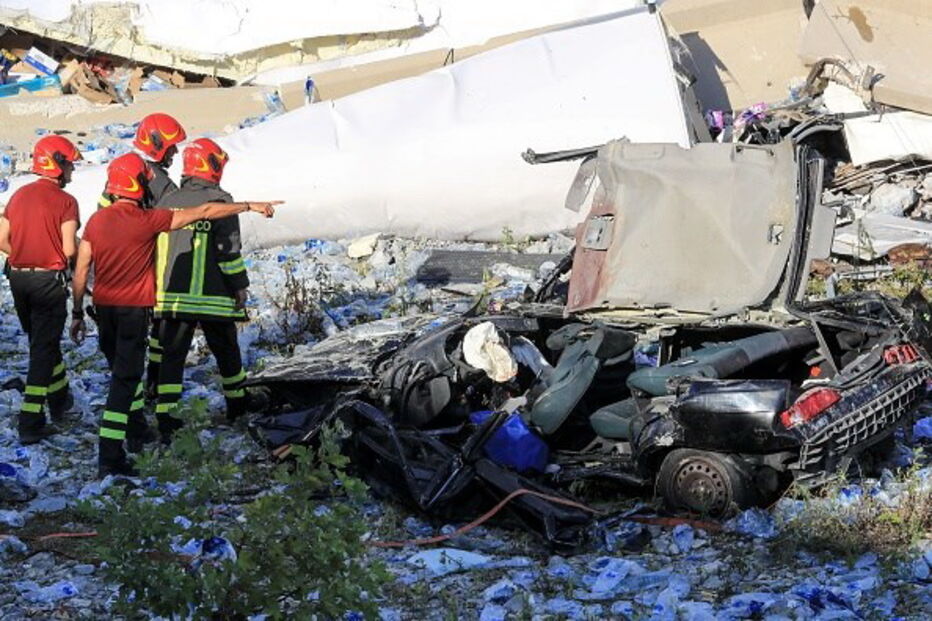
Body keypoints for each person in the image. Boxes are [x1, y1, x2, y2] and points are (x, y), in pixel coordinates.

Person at [70, 152, 279, 477]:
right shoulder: (148, 220)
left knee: (125, 374)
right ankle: (110, 457)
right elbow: (207, 211)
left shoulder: (98, 221)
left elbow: (82, 268)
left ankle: (139, 430)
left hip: (104, 309)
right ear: (138, 184)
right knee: (124, 382)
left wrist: (77, 311)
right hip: (133, 312)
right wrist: (250, 206)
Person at [153, 138, 255, 440]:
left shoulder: (167, 201)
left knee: (171, 358)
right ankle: (238, 405)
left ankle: (167, 418)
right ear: (211, 165)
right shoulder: (222, 202)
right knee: (227, 355)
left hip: (171, 299)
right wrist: (240, 287)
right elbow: (228, 251)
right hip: (214, 299)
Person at [96, 113, 188, 395]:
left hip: (115, 270)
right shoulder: (160, 183)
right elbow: (178, 226)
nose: (174, 153)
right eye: (171, 147)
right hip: (149, 269)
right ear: (157, 143)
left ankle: (138, 387)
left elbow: (102, 214)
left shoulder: (122, 172)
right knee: (153, 336)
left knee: (126, 344)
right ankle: (151, 387)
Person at [0, 136, 82, 444]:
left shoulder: (19, 195)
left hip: (18, 278)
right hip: (48, 282)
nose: (73, 170)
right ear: (58, 164)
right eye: (70, 164)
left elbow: (1, 239)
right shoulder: (66, 202)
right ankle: (31, 420)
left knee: (42, 341)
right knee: (42, 350)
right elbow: (68, 248)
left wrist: (24, 254)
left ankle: (60, 399)